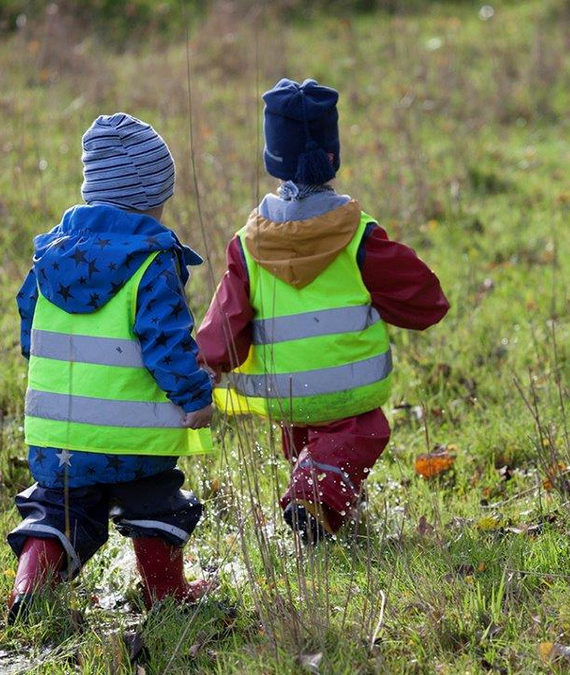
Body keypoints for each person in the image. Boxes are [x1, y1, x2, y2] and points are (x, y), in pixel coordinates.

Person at [197, 78, 449, 542]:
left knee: (308, 446)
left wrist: (205, 367)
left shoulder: (247, 246)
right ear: (333, 156)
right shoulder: (359, 236)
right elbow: (424, 301)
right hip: (349, 391)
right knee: (364, 431)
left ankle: (323, 511)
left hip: (285, 394)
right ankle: (311, 500)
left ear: (273, 159)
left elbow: (225, 323)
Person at [6, 113, 215, 622]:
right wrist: (195, 397)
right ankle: (167, 593)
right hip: (133, 438)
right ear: (152, 197)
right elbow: (166, 341)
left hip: (56, 432)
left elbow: (30, 332)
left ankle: (30, 587)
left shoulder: (49, 257)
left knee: (60, 508)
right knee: (155, 504)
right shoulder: (150, 261)